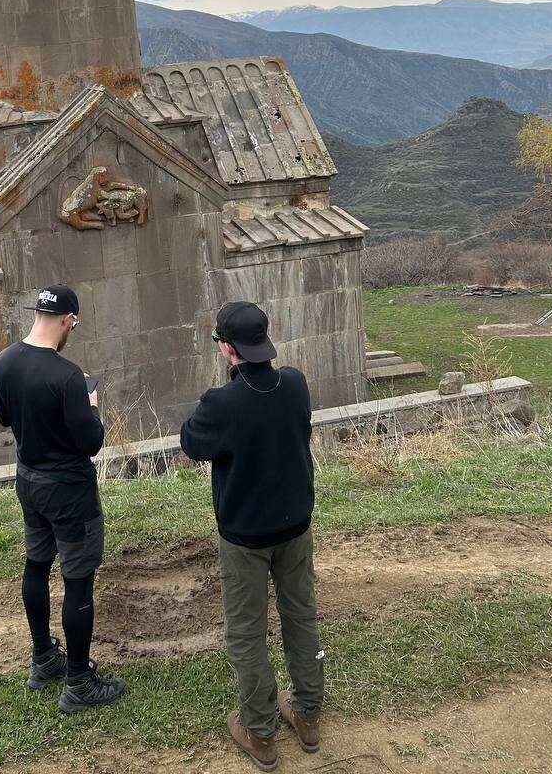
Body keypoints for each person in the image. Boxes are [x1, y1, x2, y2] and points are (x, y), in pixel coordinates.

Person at [180, 301, 323, 771]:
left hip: (244, 534)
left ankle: (259, 731)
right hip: (295, 523)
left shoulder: (221, 404)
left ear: (227, 347)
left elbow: (191, 443)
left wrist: (225, 389)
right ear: (264, 340)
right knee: (300, 615)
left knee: (246, 631)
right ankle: (306, 712)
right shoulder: (295, 384)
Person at [0, 283, 126, 714]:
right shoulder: (68, 377)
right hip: (69, 491)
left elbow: (6, 419)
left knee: (36, 564)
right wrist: (92, 406)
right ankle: (80, 683)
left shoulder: (4, 361)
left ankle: (44, 659)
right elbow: (91, 442)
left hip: (29, 481)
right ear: (68, 321)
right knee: (78, 579)